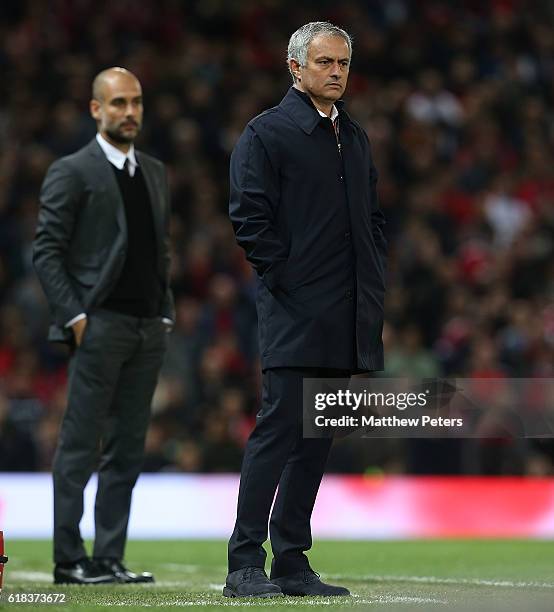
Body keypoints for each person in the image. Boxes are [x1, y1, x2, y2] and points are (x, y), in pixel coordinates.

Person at [224, 22, 387, 598]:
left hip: (345, 318)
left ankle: (292, 561)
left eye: (343, 61)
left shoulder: (356, 137)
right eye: (324, 62)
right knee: (279, 431)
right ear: (295, 68)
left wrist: (373, 281)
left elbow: (371, 220)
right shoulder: (268, 134)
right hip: (297, 311)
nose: (336, 71)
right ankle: (244, 563)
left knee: (316, 440)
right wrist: (288, 279)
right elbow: (248, 215)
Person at [33, 67, 174, 585]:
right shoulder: (72, 171)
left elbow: (159, 250)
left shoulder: (155, 172)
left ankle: (108, 557)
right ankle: (69, 560)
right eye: (117, 103)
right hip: (100, 326)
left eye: (135, 101)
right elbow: (46, 250)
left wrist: (165, 312)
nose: (130, 112)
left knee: (127, 449)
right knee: (79, 445)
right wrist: (75, 317)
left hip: (146, 328)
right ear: (96, 109)